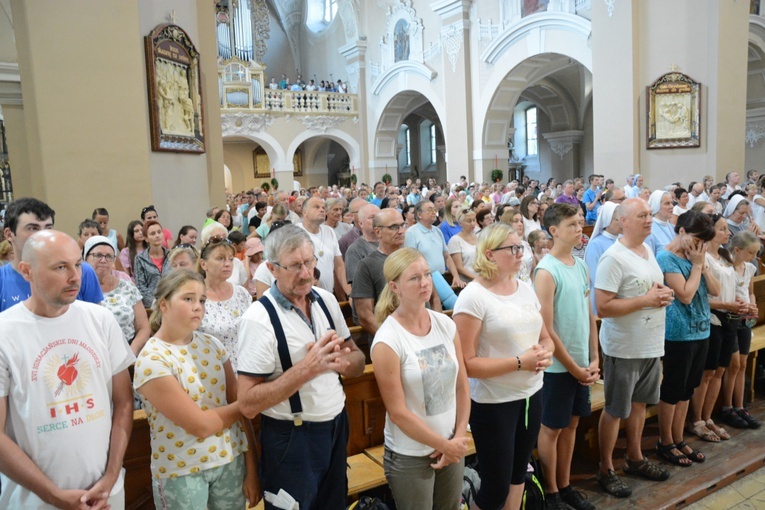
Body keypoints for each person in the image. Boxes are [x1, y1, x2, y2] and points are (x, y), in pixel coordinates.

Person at [0, 230, 134, 508]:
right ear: (27, 271)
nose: (76, 276)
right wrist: (52, 494)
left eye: (77, 264)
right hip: (36, 500)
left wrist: (111, 476)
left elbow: (123, 402)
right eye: (61, 267)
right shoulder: (5, 332)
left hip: (105, 492)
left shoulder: (101, 320)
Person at [236, 224, 365, 509]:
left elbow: (357, 359)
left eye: (309, 262)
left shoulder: (327, 301)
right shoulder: (258, 319)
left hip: (336, 428)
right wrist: (307, 369)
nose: (306, 273)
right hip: (291, 439)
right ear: (272, 268)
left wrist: (343, 362)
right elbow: (246, 403)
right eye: (295, 266)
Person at [133, 270, 259, 510]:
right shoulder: (152, 358)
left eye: (202, 300)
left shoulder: (213, 345)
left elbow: (242, 416)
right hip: (182, 471)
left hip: (230, 460)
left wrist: (252, 467)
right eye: (188, 299)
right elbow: (201, 425)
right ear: (164, 304)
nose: (198, 307)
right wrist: (252, 402)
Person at [452, 222, 553, 510]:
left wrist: (545, 353)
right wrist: (521, 362)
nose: (520, 253)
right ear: (489, 254)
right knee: (495, 486)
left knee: (519, 473)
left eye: (520, 247)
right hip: (494, 402)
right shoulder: (473, 297)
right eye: (512, 248)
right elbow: (468, 363)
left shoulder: (524, 288)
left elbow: (546, 337)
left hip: (531, 394)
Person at [371, 248, 470, 510]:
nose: (425, 283)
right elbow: (398, 412)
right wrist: (443, 445)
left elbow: (462, 385)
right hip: (411, 455)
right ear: (395, 287)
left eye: (427, 274)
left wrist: (457, 437)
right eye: (414, 278)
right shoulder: (388, 339)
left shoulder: (445, 324)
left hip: (451, 443)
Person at [594, 198, 674, 497]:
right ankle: (605, 468)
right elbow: (602, 307)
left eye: (650, 214)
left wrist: (664, 294)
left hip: (651, 342)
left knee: (640, 404)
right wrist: (646, 301)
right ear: (623, 220)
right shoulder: (614, 257)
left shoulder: (648, 250)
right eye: (642, 215)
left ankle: (635, 458)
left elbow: (649, 289)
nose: (649, 219)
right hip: (624, 347)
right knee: (616, 409)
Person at [535, 203, 599, 510]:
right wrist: (573, 367)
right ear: (554, 231)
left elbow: (588, 316)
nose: (580, 229)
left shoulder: (581, 264)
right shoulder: (546, 271)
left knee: (572, 426)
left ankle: (565, 483)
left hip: (581, 363)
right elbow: (545, 328)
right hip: (558, 367)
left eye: (581, 223)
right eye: (573, 224)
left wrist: (594, 357)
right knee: (552, 428)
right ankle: (551, 492)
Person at [655, 211, 719, 468]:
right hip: (678, 333)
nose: (700, 245)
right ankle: (665, 441)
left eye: (704, 241)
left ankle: (679, 438)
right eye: (697, 238)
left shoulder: (697, 257)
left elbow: (715, 290)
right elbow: (684, 295)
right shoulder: (665, 257)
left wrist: (701, 264)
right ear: (681, 232)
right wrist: (696, 266)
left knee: (687, 389)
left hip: (702, 330)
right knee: (672, 389)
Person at [0, 198, 103, 312]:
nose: (44, 234)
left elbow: (96, 321)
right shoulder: (2, 280)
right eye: (33, 228)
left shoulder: (82, 271)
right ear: (9, 234)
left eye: (48, 227)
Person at [721, 230, 762, 429]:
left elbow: (750, 292)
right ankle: (727, 407)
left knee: (743, 364)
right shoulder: (725, 267)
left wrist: (753, 305)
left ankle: (740, 406)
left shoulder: (749, 268)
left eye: (756, 253)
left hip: (745, 318)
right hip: (730, 319)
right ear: (736, 250)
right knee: (733, 364)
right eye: (750, 253)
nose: (754, 258)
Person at [85, 235, 151, 355]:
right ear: (85, 259)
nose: (104, 260)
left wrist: (133, 351)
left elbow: (143, 327)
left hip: (127, 350)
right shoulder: (78, 290)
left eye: (109, 256)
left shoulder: (127, 287)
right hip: (92, 354)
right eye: (98, 255)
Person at [196, 233, 252, 370]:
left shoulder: (241, 294)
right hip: (209, 370)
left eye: (230, 259)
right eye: (220, 259)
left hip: (245, 368)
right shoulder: (195, 296)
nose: (227, 264)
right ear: (204, 264)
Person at [352, 209, 406, 337]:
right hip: (390, 339)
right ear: (378, 232)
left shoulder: (413, 258)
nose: (400, 231)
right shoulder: (367, 265)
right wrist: (392, 340)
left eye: (402, 225)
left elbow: (433, 297)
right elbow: (365, 316)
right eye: (394, 227)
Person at [404, 201, 463, 310]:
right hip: (426, 280)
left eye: (434, 209)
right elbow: (410, 261)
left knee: (454, 308)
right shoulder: (412, 233)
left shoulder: (437, 231)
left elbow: (446, 256)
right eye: (429, 210)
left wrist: (455, 275)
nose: (434, 212)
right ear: (419, 215)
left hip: (442, 277)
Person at [298, 197, 351, 298]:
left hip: (328, 295)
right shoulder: (295, 231)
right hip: (305, 295)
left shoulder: (329, 231)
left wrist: (349, 292)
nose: (322, 210)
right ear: (305, 212)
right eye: (316, 207)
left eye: (323, 207)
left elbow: (339, 265)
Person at [584, 202, 621, 312]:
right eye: (618, 219)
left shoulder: (623, 240)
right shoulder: (596, 245)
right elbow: (596, 277)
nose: (622, 223)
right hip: (604, 297)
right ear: (607, 220)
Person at [134, 220, 171, 307]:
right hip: (152, 306)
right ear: (146, 238)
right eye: (153, 233)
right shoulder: (140, 259)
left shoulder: (171, 255)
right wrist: (156, 304)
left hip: (172, 302)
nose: (157, 235)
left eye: (159, 232)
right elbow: (141, 287)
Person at [344, 203, 380, 286]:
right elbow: (358, 287)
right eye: (371, 217)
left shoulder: (389, 243)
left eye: (378, 217)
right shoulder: (355, 250)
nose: (376, 221)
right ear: (361, 223)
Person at [448, 209, 478, 284]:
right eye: (469, 221)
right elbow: (459, 267)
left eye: (474, 220)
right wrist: (477, 279)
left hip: (483, 277)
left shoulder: (479, 236)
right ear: (460, 223)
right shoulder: (455, 240)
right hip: (468, 282)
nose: (472, 223)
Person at [646, 190, 676, 255]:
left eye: (672, 203)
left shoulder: (673, 227)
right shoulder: (649, 230)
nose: (671, 206)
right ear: (656, 206)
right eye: (667, 203)